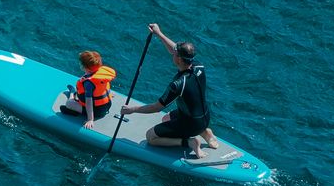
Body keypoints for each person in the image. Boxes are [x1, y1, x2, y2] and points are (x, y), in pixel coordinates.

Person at [120, 22, 220, 158]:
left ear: (178, 58)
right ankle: (206, 133)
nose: (173, 52)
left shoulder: (178, 84)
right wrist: (159, 33)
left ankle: (189, 142)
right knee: (166, 118)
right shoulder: (199, 66)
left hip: (191, 124)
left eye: (175, 53)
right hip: (204, 118)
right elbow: (175, 49)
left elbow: (156, 107)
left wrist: (132, 110)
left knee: (150, 137)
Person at [58, 50, 116, 130]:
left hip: (97, 112)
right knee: (81, 95)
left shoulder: (89, 83)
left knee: (69, 103)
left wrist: (90, 120)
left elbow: (89, 102)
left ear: (86, 68)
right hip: (106, 106)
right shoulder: (100, 74)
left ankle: (72, 93)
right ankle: (75, 95)